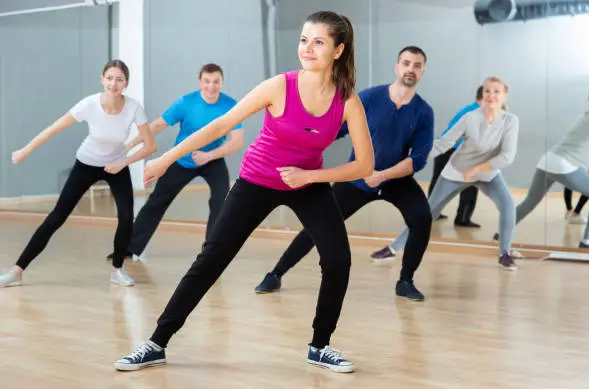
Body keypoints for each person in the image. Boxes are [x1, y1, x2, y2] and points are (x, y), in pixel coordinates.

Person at [114, 11, 373, 373]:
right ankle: (156, 342)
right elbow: (222, 124)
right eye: (303, 39)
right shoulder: (279, 86)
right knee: (212, 259)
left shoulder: (347, 101)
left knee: (338, 260)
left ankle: (320, 345)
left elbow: (364, 165)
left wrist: (311, 177)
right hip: (257, 180)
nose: (307, 48)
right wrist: (167, 159)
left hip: (306, 183)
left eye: (318, 42)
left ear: (338, 50)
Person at [253, 46, 434, 301]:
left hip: (396, 180)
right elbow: (333, 130)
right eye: (406, 63)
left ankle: (405, 281)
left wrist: (381, 175)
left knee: (422, 219)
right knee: (318, 223)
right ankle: (276, 273)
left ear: (422, 71)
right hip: (357, 179)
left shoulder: (424, 112)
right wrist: (301, 142)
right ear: (397, 66)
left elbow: (418, 159)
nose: (410, 69)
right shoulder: (369, 98)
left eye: (417, 65)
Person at [0, 59, 156, 288]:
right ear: (102, 79)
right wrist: (26, 149)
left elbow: (150, 146)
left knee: (126, 216)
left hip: (117, 166)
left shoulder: (133, 107)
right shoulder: (89, 104)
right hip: (86, 163)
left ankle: (117, 270)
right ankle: (17, 271)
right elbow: (53, 128)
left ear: (126, 83)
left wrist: (123, 162)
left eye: (119, 79)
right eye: (110, 78)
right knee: (57, 217)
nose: (114, 84)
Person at [372, 76, 520, 270]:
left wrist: (477, 169)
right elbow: (444, 143)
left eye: (496, 91)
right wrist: (418, 157)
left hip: (487, 174)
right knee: (427, 214)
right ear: (482, 94)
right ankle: (393, 248)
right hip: (456, 172)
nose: (491, 95)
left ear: (505, 95)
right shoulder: (470, 118)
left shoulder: (510, 121)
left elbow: (507, 156)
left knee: (508, 206)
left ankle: (505, 254)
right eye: (487, 91)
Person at [106, 63, 243, 260]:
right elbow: (157, 125)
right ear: (200, 82)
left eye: (216, 82)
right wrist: (129, 146)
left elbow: (236, 141)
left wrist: (209, 156)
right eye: (207, 81)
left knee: (220, 201)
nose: (211, 87)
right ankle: (128, 247)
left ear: (222, 83)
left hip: (212, 159)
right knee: (157, 201)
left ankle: (212, 253)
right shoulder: (185, 103)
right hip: (182, 159)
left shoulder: (231, 106)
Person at [503, 86, 589, 250]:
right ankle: (588, 241)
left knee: (529, 202)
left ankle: (500, 233)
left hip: (547, 160)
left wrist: (587, 163)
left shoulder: (583, 117)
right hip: (565, 165)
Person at [430, 86, 483, 227]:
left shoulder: (468, 108)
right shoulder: (478, 113)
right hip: (456, 151)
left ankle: (429, 214)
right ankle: (463, 218)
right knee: (470, 183)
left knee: (438, 183)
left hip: (443, 149)